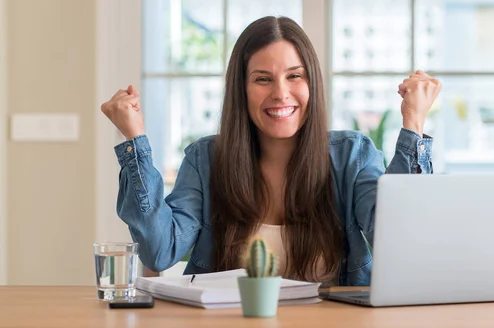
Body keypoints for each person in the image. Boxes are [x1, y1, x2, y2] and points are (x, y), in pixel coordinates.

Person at [100, 16, 440, 286]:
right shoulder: (205, 160)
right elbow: (159, 251)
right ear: (242, 89)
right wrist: (133, 141)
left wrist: (414, 123)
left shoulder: (352, 156)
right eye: (263, 79)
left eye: (295, 76)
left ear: (312, 84)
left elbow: (399, 243)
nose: (281, 93)